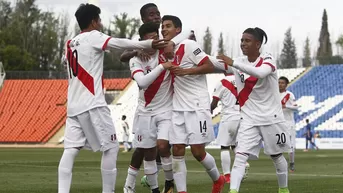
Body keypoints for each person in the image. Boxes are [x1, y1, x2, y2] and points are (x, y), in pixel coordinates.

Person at [58, 4, 167, 193]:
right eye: (99, 20)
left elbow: (64, 61)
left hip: (73, 107)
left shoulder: (70, 43)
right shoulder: (93, 36)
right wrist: (148, 44)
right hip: (93, 104)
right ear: (93, 21)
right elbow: (119, 43)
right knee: (111, 148)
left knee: (70, 150)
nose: (100, 23)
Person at [214, 28, 291, 193]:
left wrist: (233, 63)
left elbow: (260, 73)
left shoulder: (268, 59)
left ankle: (283, 189)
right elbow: (212, 64)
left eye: (247, 41)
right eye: (241, 40)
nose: (243, 44)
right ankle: (233, 191)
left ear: (257, 44)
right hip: (249, 119)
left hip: (272, 118)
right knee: (240, 156)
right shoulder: (239, 61)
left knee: (276, 156)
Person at [161, 15, 225, 193]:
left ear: (178, 30)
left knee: (198, 152)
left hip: (197, 106)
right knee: (178, 150)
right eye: (162, 27)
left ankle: (218, 179)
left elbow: (209, 66)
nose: (164, 29)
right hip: (178, 108)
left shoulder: (189, 45)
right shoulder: (166, 50)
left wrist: (186, 71)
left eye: (168, 26)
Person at [123, 22, 174, 193]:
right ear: (142, 41)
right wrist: (161, 66)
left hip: (166, 110)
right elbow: (143, 82)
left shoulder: (166, 52)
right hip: (145, 112)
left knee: (163, 146)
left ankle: (169, 183)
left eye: (156, 37)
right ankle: (155, 190)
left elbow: (186, 33)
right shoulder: (136, 59)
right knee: (149, 153)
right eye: (150, 39)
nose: (155, 41)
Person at [211, 74, 241, 183]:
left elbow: (214, 103)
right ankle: (243, 165)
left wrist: (208, 111)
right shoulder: (242, 80)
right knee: (235, 145)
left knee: (224, 146)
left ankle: (227, 175)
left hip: (229, 117)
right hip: (242, 117)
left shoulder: (223, 82)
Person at [279, 76, 299, 172]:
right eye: (279, 82)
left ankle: (292, 163)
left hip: (288, 123)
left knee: (290, 145)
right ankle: (282, 165)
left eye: (282, 83)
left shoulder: (289, 95)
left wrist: (285, 105)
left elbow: (296, 107)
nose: (280, 84)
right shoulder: (273, 94)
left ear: (286, 84)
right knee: (279, 145)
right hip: (278, 123)